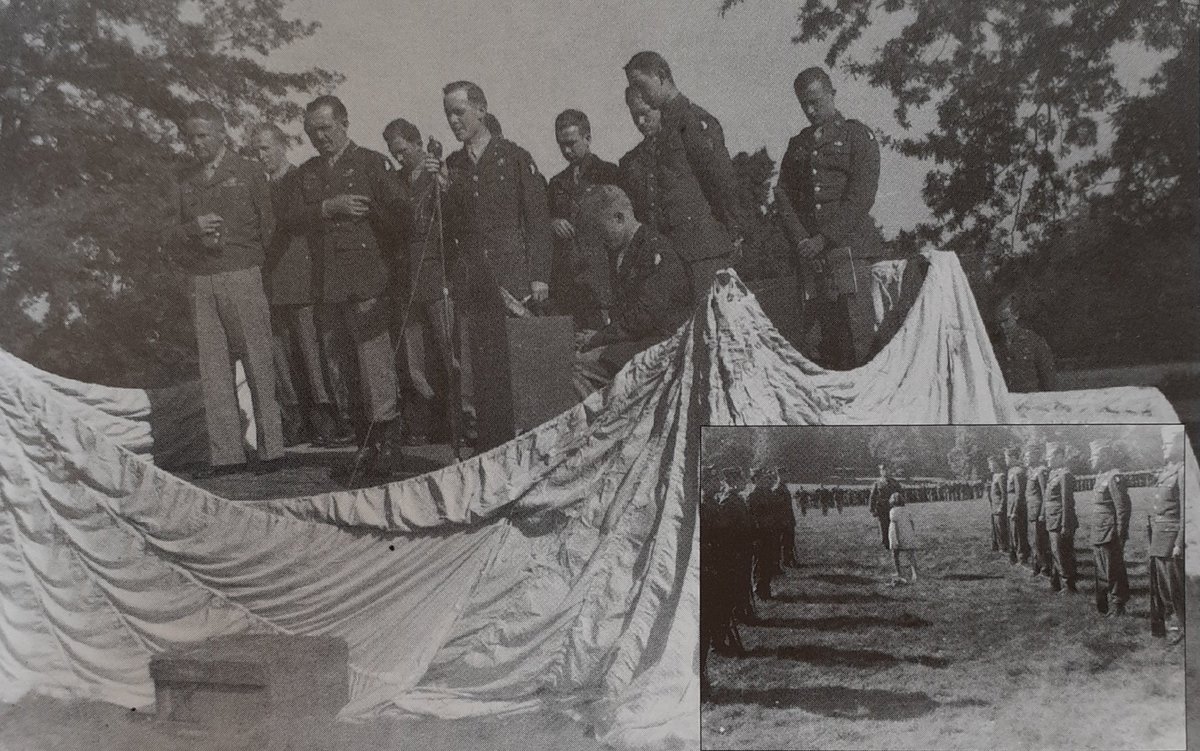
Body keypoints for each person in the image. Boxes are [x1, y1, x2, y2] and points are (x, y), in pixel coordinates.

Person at [281, 95, 408, 475]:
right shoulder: (306, 174)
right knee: (344, 367)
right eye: (312, 132)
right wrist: (326, 208)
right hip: (327, 285)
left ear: (345, 123)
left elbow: (400, 216)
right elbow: (287, 217)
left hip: (368, 280)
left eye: (326, 128)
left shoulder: (371, 163)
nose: (320, 137)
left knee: (376, 364)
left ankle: (388, 442)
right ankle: (364, 442)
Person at [164, 101, 283, 476]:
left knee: (258, 363)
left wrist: (248, 262)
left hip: (243, 274)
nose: (195, 143)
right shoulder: (184, 180)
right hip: (202, 280)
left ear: (221, 134)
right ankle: (227, 454)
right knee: (213, 369)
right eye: (189, 137)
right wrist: (192, 229)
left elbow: (270, 227)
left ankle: (272, 450)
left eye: (202, 135)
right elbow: (168, 235)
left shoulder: (248, 171)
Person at [437, 80, 553, 451]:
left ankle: (523, 446)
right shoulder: (452, 165)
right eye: (448, 114)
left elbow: (537, 220)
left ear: (481, 110)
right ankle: (489, 445)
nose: (453, 121)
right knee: (479, 368)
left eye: (459, 112)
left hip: (512, 277)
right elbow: (450, 227)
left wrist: (539, 277)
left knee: (515, 366)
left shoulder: (515, 156)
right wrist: (440, 190)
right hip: (472, 280)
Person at [775, 67, 887, 369]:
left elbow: (861, 196)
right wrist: (802, 241)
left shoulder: (857, 136)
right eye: (804, 105)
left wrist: (824, 239)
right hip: (811, 258)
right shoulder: (798, 144)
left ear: (832, 95)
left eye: (816, 102)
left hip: (848, 253)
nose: (810, 111)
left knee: (857, 336)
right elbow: (783, 195)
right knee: (816, 341)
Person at [250, 122, 353, 449]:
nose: (261, 155)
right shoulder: (258, 186)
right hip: (270, 283)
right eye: (256, 150)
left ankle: (328, 419)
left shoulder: (300, 179)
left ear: (282, 146)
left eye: (266, 148)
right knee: (281, 356)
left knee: (313, 353)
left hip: (302, 279)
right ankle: (296, 421)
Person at [623, 51, 750, 303]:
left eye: (640, 84)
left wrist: (734, 232)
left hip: (704, 252)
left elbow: (721, 183)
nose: (638, 93)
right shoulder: (664, 128)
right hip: (674, 256)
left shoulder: (692, 120)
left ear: (661, 76)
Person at [572, 185, 693, 397]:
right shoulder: (628, 250)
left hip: (663, 346)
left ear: (619, 218)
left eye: (602, 232)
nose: (600, 241)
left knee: (575, 368)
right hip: (640, 341)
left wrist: (598, 339)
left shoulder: (656, 251)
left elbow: (643, 317)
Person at [383, 117, 455, 445]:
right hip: (405, 276)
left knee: (446, 350)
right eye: (393, 152)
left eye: (402, 150)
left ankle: (456, 421)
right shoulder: (394, 180)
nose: (399, 157)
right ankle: (422, 423)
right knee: (413, 359)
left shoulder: (435, 172)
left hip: (435, 272)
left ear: (417, 144)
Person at [547, 109, 621, 329]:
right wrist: (553, 223)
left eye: (571, 143)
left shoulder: (610, 174)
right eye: (561, 145)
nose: (566, 150)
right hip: (569, 281)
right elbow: (544, 220)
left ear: (588, 139)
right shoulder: (556, 183)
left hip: (602, 278)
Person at [1148, 426, 1185, 642]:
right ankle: (1173, 623)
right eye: (1162, 443)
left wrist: (1179, 542)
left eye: (1168, 443)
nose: (1163, 446)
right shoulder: (1166, 471)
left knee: (1175, 587)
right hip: (1159, 536)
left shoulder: (1182, 471)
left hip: (1172, 538)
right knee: (1163, 587)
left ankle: (1182, 625)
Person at [1089, 439, 1131, 617]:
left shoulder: (1114, 477)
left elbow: (1122, 508)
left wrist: (1120, 535)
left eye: (1095, 455)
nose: (1091, 459)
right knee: (1101, 570)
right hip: (1098, 530)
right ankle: (1103, 605)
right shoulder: (1101, 476)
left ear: (1105, 456)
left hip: (1109, 532)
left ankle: (1118, 605)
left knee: (1113, 569)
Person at [993, 296, 1057, 392]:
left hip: (1029, 400)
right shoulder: (994, 344)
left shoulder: (1033, 341)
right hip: (1004, 399)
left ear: (1016, 315)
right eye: (999, 322)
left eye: (1005, 321)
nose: (1002, 326)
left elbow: (1048, 377)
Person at [618, 86, 661, 226]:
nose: (640, 121)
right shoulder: (628, 162)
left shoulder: (685, 150)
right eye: (634, 115)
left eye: (644, 113)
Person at [1043, 442, 1079, 593]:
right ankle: (1056, 582)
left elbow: (1067, 502)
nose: (1048, 460)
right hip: (1052, 519)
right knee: (1055, 552)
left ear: (1060, 457)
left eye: (1051, 456)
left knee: (1061, 553)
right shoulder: (1054, 474)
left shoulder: (1065, 475)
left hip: (1060, 520)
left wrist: (1065, 524)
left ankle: (1068, 586)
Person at [1024, 441, 1053, 579]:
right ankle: (1036, 566)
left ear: (1036, 456)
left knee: (1040, 541)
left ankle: (1045, 568)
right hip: (1031, 511)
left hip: (1037, 513)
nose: (1027, 458)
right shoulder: (1031, 471)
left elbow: (1044, 493)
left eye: (1029, 456)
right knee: (1033, 541)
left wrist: (1042, 513)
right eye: (1026, 456)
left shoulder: (1041, 471)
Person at [1004, 447, 1031, 565]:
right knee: (1012, 532)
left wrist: (1015, 510)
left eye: (1007, 457)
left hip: (1017, 506)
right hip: (1010, 505)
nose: (1006, 460)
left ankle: (1022, 557)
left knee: (1019, 533)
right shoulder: (1011, 471)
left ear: (1013, 458)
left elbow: (1019, 493)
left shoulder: (1019, 472)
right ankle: (1014, 555)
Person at [868, 464, 902, 549]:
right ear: (880, 472)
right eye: (883, 470)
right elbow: (872, 497)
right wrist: (872, 509)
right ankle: (885, 542)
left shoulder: (895, 482)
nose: (885, 472)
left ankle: (894, 541)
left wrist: (901, 506)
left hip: (893, 508)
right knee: (883, 526)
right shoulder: (877, 483)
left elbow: (900, 494)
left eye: (887, 470)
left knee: (893, 525)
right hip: (881, 508)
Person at [888, 493, 918, 585]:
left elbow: (895, 526)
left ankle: (898, 572)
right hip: (907, 532)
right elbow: (912, 523)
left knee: (895, 554)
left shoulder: (893, 511)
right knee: (910, 554)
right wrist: (912, 533)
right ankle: (914, 573)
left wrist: (896, 539)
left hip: (897, 533)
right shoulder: (907, 510)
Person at [987, 455, 1010, 554]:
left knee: (1001, 527)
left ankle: (1004, 547)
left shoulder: (1001, 476)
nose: (989, 467)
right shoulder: (994, 476)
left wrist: (1001, 506)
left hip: (999, 507)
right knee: (995, 527)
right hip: (994, 506)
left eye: (991, 464)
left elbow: (1004, 494)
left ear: (996, 464)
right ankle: (997, 545)